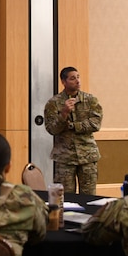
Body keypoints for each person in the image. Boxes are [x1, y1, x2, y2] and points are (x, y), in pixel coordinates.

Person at [43, 66, 102, 194]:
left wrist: (73, 126)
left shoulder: (91, 100)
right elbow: (51, 129)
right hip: (65, 158)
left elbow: (96, 124)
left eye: (78, 77)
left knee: (89, 197)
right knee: (65, 198)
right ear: (63, 82)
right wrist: (63, 114)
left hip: (88, 156)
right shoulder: (53, 103)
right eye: (72, 78)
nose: (77, 81)